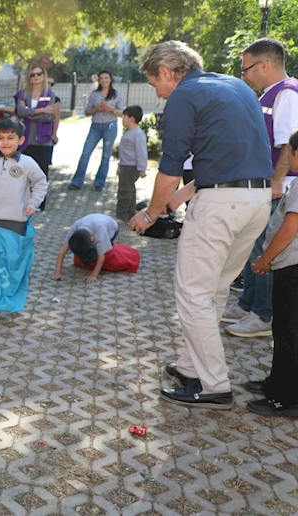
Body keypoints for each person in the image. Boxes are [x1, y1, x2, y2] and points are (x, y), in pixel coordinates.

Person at [129, 41, 273, 410]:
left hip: (220, 207)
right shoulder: (237, 87)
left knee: (192, 294)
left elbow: (170, 168)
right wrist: (179, 198)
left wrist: (150, 213)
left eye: (154, 83)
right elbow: (231, 156)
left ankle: (213, 386)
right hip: (256, 200)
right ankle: (191, 366)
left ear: (166, 72)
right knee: (213, 291)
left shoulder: (183, 96)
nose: (157, 93)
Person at [222, 38, 298, 339]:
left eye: (246, 68)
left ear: (264, 65)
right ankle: (248, 303)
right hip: (264, 185)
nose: (244, 75)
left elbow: (287, 144)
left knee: (267, 247)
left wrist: (276, 183)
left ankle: (263, 314)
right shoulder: (270, 94)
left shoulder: (288, 94)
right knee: (255, 243)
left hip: (279, 188)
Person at [246, 130, 298, 417]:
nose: (286, 158)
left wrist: (266, 258)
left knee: (289, 333)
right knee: (283, 330)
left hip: (292, 267)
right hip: (289, 266)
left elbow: (290, 229)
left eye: (288, 151)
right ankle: (276, 383)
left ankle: (287, 398)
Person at [0, 65, 58, 210]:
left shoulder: (50, 94)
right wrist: (41, 110)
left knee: (41, 172)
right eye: (32, 74)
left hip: (43, 139)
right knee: (21, 171)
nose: (36, 76)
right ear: (28, 78)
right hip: (25, 138)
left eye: (39, 73)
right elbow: (20, 111)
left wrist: (30, 114)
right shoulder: (22, 94)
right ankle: (21, 201)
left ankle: (39, 204)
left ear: (44, 76)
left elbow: (48, 116)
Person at [69, 70, 125, 191]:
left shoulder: (117, 94)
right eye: (101, 79)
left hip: (110, 126)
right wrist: (97, 109)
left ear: (110, 79)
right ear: (98, 81)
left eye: (106, 78)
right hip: (95, 126)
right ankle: (77, 182)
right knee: (85, 154)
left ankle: (99, 183)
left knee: (105, 156)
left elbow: (122, 114)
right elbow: (87, 112)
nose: (104, 80)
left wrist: (110, 109)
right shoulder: (94, 94)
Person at [52, 214, 119, 283]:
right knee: (84, 257)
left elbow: (101, 256)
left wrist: (93, 275)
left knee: (95, 256)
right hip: (94, 222)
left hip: (111, 228)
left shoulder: (99, 233)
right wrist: (57, 272)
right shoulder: (74, 228)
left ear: (92, 239)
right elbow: (63, 250)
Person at [116, 106, 148, 222]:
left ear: (131, 118)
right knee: (130, 190)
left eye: (124, 116)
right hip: (125, 166)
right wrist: (120, 165)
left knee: (124, 191)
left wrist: (142, 168)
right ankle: (130, 213)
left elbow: (141, 152)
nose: (122, 119)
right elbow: (124, 152)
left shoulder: (138, 134)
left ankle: (121, 215)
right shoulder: (128, 133)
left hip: (131, 167)